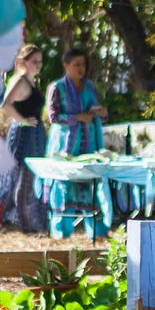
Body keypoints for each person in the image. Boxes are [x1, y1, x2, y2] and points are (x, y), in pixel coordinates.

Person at [46, 48, 107, 236]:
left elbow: (100, 114)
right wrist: (78, 117)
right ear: (66, 66)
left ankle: (96, 231)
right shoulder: (57, 87)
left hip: (89, 146)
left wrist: (101, 112)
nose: (81, 68)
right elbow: (53, 117)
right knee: (64, 185)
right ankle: (61, 231)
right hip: (65, 147)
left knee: (89, 185)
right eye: (77, 64)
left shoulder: (90, 87)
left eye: (83, 64)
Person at [0, 44, 48, 232]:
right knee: (21, 179)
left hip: (34, 135)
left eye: (40, 61)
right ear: (24, 62)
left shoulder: (31, 82)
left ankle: (22, 222)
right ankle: (24, 224)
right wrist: (22, 121)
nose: (38, 64)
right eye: (34, 61)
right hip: (24, 135)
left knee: (28, 180)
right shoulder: (20, 81)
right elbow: (5, 104)